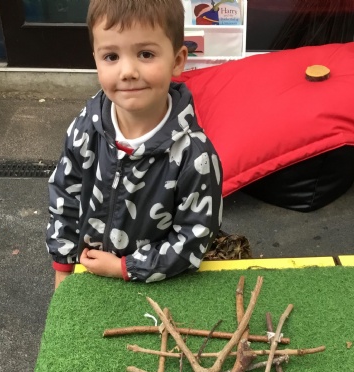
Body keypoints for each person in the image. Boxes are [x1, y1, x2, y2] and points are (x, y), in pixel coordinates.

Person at [46, 0, 223, 289]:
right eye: (111, 56)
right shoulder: (85, 129)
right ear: (96, 59)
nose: (127, 71)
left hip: (161, 284)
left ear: (178, 60)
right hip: (88, 274)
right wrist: (63, 266)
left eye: (145, 54)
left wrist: (125, 267)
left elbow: (194, 236)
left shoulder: (194, 155)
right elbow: (64, 196)